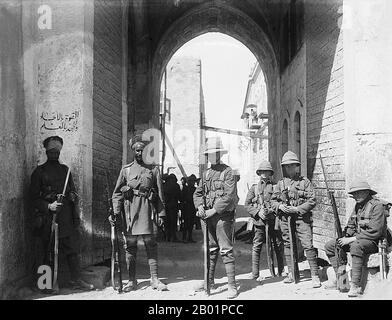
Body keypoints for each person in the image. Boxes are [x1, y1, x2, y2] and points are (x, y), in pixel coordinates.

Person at [30, 135, 94, 292]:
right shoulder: (39, 172)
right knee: (48, 251)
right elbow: (32, 199)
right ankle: (45, 285)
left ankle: (75, 281)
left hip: (65, 218)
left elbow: (73, 192)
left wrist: (73, 197)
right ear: (46, 152)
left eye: (57, 151)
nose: (54, 154)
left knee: (71, 250)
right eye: (51, 151)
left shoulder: (66, 171)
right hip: (47, 219)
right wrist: (48, 206)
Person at [111, 136, 168, 292]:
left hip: (148, 212)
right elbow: (117, 193)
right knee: (130, 247)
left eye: (142, 150)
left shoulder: (153, 169)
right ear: (133, 151)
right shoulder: (126, 170)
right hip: (131, 213)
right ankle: (131, 280)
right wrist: (116, 211)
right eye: (137, 150)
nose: (139, 152)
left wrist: (161, 214)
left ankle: (155, 279)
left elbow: (160, 195)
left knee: (151, 245)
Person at [324, 181, 388, 297]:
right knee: (330, 245)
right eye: (354, 193)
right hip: (358, 239)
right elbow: (351, 225)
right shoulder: (358, 206)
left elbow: (375, 231)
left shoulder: (376, 206)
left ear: (367, 192)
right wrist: (344, 236)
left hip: (373, 241)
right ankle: (339, 279)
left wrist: (351, 239)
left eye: (359, 193)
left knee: (356, 246)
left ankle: (355, 286)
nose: (356, 196)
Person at [193, 136, 239, 299]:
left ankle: (232, 286)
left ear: (219, 154)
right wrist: (199, 206)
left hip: (222, 217)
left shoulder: (228, 172)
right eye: (209, 154)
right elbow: (198, 193)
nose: (212, 156)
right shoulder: (205, 174)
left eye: (214, 153)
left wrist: (213, 210)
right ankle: (209, 282)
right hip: (207, 218)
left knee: (225, 250)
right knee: (211, 250)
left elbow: (229, 196)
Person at [270, 151, 321, 288]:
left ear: (297, 166)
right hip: (285, 219)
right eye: (287, 166)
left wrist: (297, 209)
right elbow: (272, 201)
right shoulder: (280, 184)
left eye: (292, 166)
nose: (289, 168)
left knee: (307, 244)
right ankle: (291, 273)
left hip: (301, 218)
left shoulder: (305, 182)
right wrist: (280, 206)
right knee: (288, 244)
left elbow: (312, 201)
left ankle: (315, 275)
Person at [244, 160, 284, 282]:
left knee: (277, 245)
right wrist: (257, 212)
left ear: (270, 173)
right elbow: (247, 204)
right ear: (259, 173)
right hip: (259, 222)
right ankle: (255, 273)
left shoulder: (276, 186)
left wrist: (272, 211)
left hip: (273, 221)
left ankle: (280, 271)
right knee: (257, 246)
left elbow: (280, 202)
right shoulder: (254, 188)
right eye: (262, 171)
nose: (264, 174)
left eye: (267, 171)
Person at [180, 174, 199, 243]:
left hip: (191, 207)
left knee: (191, 223)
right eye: (192, 181)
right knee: (186, 223)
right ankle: (184, 238)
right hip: (187, 207)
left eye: (193, 181)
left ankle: (189, 237)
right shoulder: (185, 188)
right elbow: (181, 197)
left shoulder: (194, 189)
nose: (193, 182)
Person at [163, 173, 181, 242]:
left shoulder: (164, 185)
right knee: (173, 222)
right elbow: (179, 196)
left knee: (167, 222)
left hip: (165, 206)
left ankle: (167, 237)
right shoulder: (176, 185)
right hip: (173, 206)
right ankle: (173, 237)